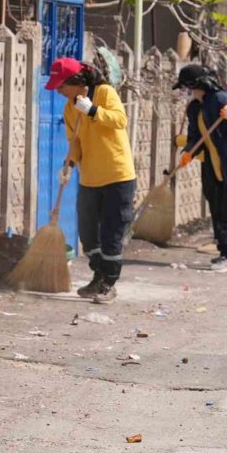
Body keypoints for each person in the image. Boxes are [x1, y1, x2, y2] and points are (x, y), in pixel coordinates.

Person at [45, 56, 137, 304]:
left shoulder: (104, 93)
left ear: (75, 81)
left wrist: (93, 110)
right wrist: (68, 165)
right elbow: (74, 142)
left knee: (111, 233)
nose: (59, 91)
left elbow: (120, 120)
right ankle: (99, 275)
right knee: (88, 234)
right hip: (90, 178)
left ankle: (109, 283)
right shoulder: (69, 108)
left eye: (61, 86)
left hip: (117, 176)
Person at [173, 64, 227, 272]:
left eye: (186, 87)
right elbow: (196, 137)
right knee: (217, 209)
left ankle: (226, 255)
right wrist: (189, 152)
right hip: (213, 165)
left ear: (196, 85)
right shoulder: (194, 108)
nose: (184, 91)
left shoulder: (220, 99)